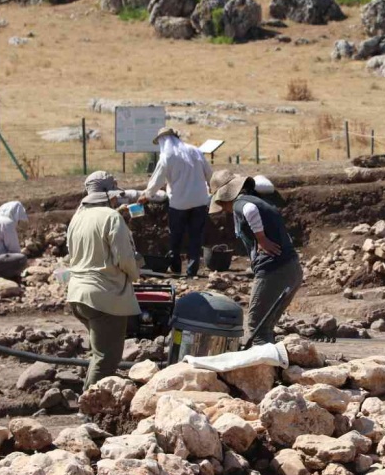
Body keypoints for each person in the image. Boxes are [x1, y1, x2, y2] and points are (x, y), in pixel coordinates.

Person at [209, 170, 302, 346]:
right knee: (265, 326)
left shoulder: (240, 203)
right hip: (291, 268)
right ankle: (274, 368)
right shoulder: (258, 200)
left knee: (256, 325)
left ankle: (263, 368)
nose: (224, 209)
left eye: (221, 204)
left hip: (274, 270)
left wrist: (261, 239)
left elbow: (250, 211)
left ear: (224, 197)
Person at [67, 183, 141, 390]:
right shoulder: (111, 217)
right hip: (104, 297)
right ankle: (90, 407)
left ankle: (89, 398)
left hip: (77, 294)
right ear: (108, 196)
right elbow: (124, 258)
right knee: (107, 357)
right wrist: (135, 272)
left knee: (99, 353)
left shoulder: (78, 217)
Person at [138, 128, 212, 277]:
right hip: (200, 200)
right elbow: (209, 173)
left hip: (179, 203)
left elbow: (157, 180)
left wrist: (146, 195)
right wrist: (212, 189)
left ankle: (176, 268)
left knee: (176, 236)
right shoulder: (195, 151)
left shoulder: (167, 156)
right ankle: (192, 270)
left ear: (162, 141)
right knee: (195, 236)